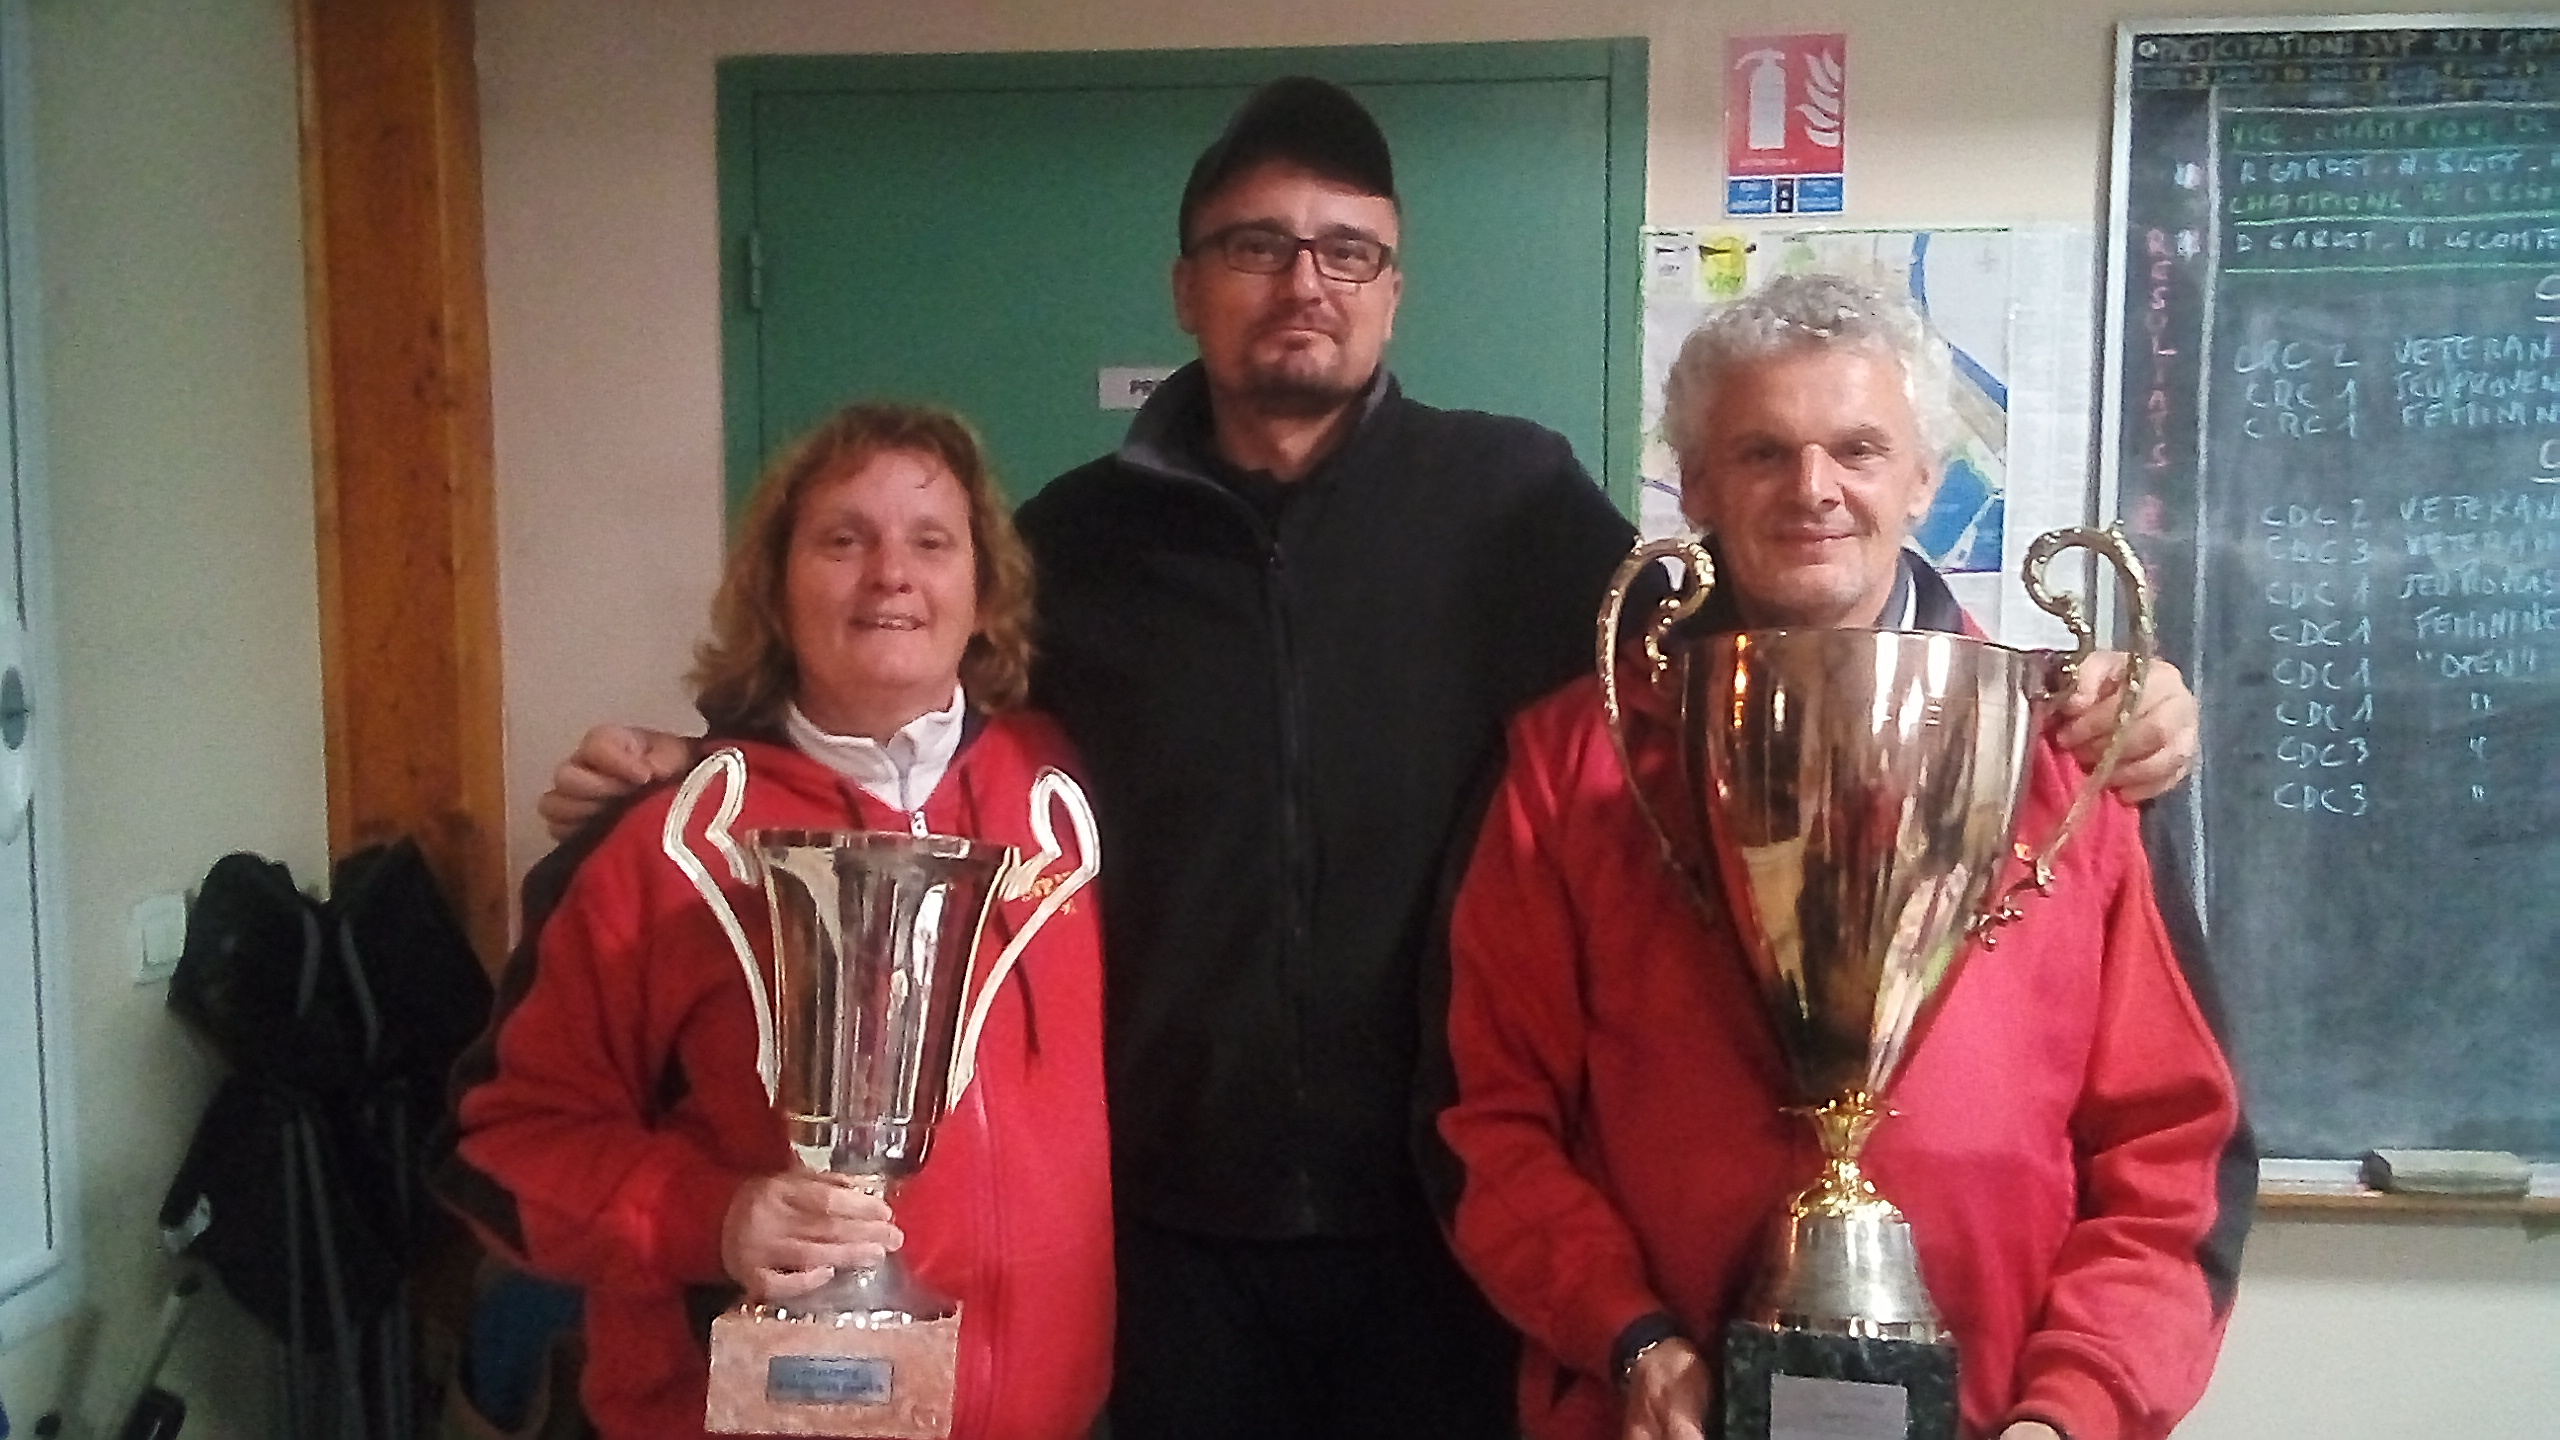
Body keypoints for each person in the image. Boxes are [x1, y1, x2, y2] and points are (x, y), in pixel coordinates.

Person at [534, 82, 2204, 1436]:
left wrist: (2084, 706)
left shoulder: (1522, 507)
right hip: (1160, 1240)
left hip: (1449, 1252)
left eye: (1348, 248)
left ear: (1396, 286)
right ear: (1187, 286)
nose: (1304, 280)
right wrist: (704, 761)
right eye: (1256, 245)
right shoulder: (1073, 542)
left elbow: (1758, 656)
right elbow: (898, 716)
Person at [1433, 273, 2254, 1440]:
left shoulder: (2074, 750)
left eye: (1858, 449)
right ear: (1698, 484)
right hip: (1653, 1413)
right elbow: (1487, 1116)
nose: (1813, 489)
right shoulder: (1571, 765)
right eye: (1762, 453)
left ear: (1924, 478)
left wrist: (2075, 1409)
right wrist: (1625, 1336)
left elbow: (2173, 1153)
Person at [437, 403, 1111, 1440]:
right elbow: (495, 1152)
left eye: (931, 543)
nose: (891, 573)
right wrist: (712, 1216)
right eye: (843, 540)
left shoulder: (1069, 796)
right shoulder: (659, 845)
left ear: (984, 596)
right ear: (776, 589)